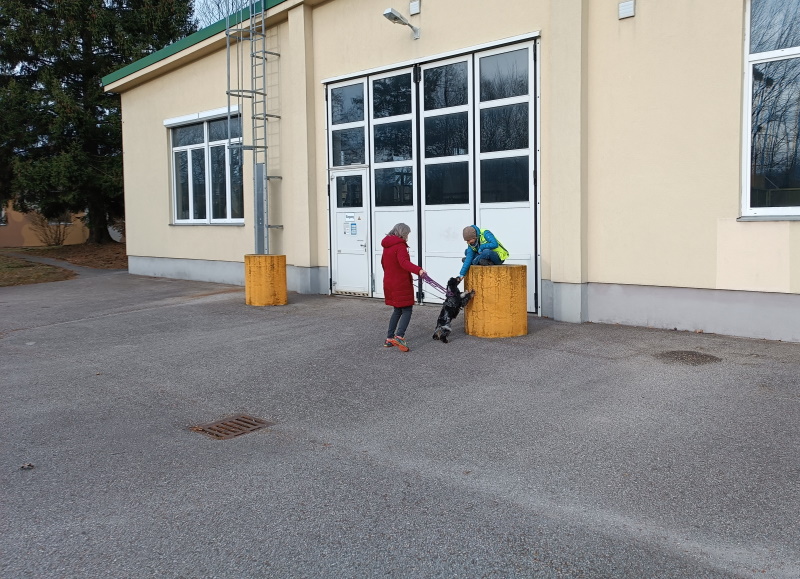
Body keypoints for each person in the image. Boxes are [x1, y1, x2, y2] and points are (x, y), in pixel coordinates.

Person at [381, 223, 425, 352]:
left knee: (397, 310)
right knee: (407, 309)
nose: (407, 237)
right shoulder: (400, 246)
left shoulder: (387, 245)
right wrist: (419, 270)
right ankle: (399, 337)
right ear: (403, 233)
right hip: (400, 283)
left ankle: (389, 338)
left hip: (389, 281)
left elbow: (383, 263)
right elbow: (404, 262)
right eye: (407, 234)